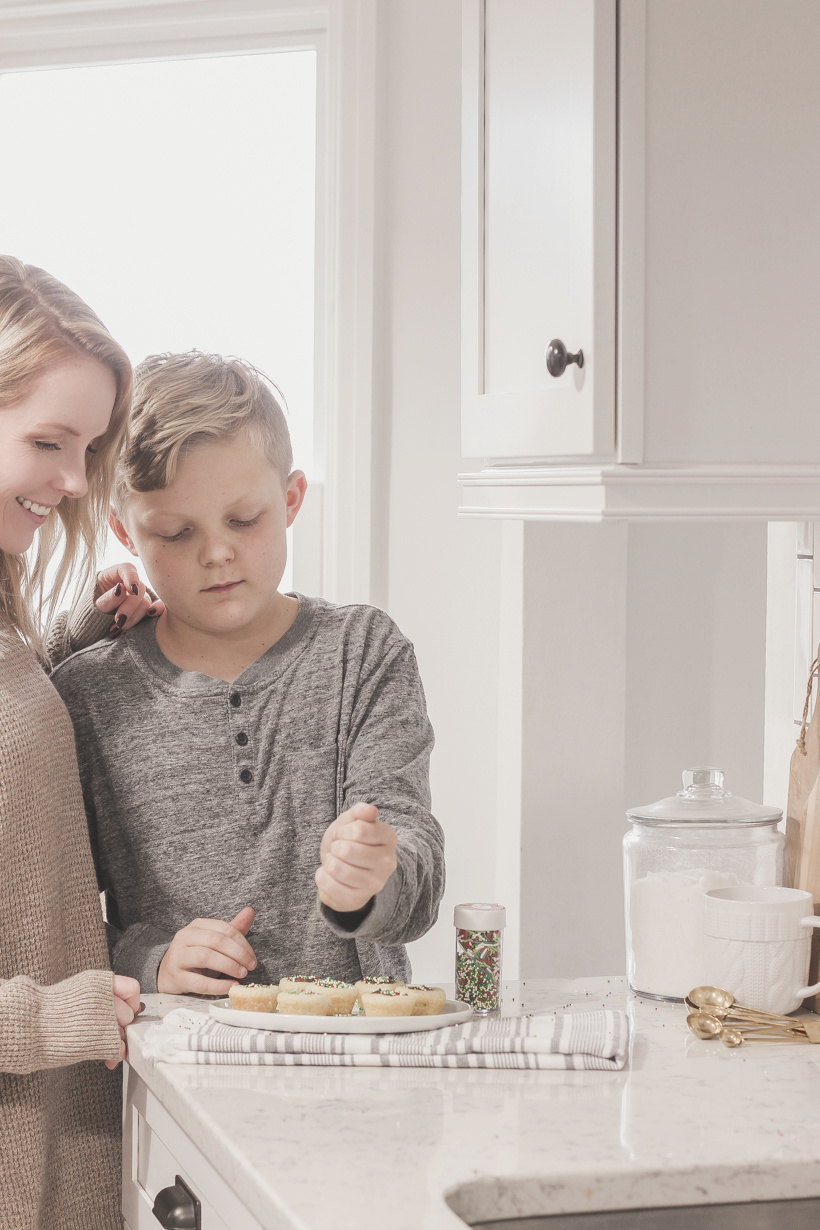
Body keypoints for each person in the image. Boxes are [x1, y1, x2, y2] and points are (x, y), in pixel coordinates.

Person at [52, 349, 445, 997]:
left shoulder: (364, 653)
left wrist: (378, 876)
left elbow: (414, 860)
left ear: (290, 499)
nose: (216, 553)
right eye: (176, 533)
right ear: (126, 532)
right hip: (177, 1070)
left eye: (243, 519)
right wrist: (154, 961)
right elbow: (60, 923)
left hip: (360, 1055)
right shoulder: (90, 695)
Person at [0, 255, 157, 1229]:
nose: (72, 480)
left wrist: (60, 654)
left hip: (50, 1122)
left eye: (88, 446)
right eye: (47, 442)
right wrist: (50, 1016)